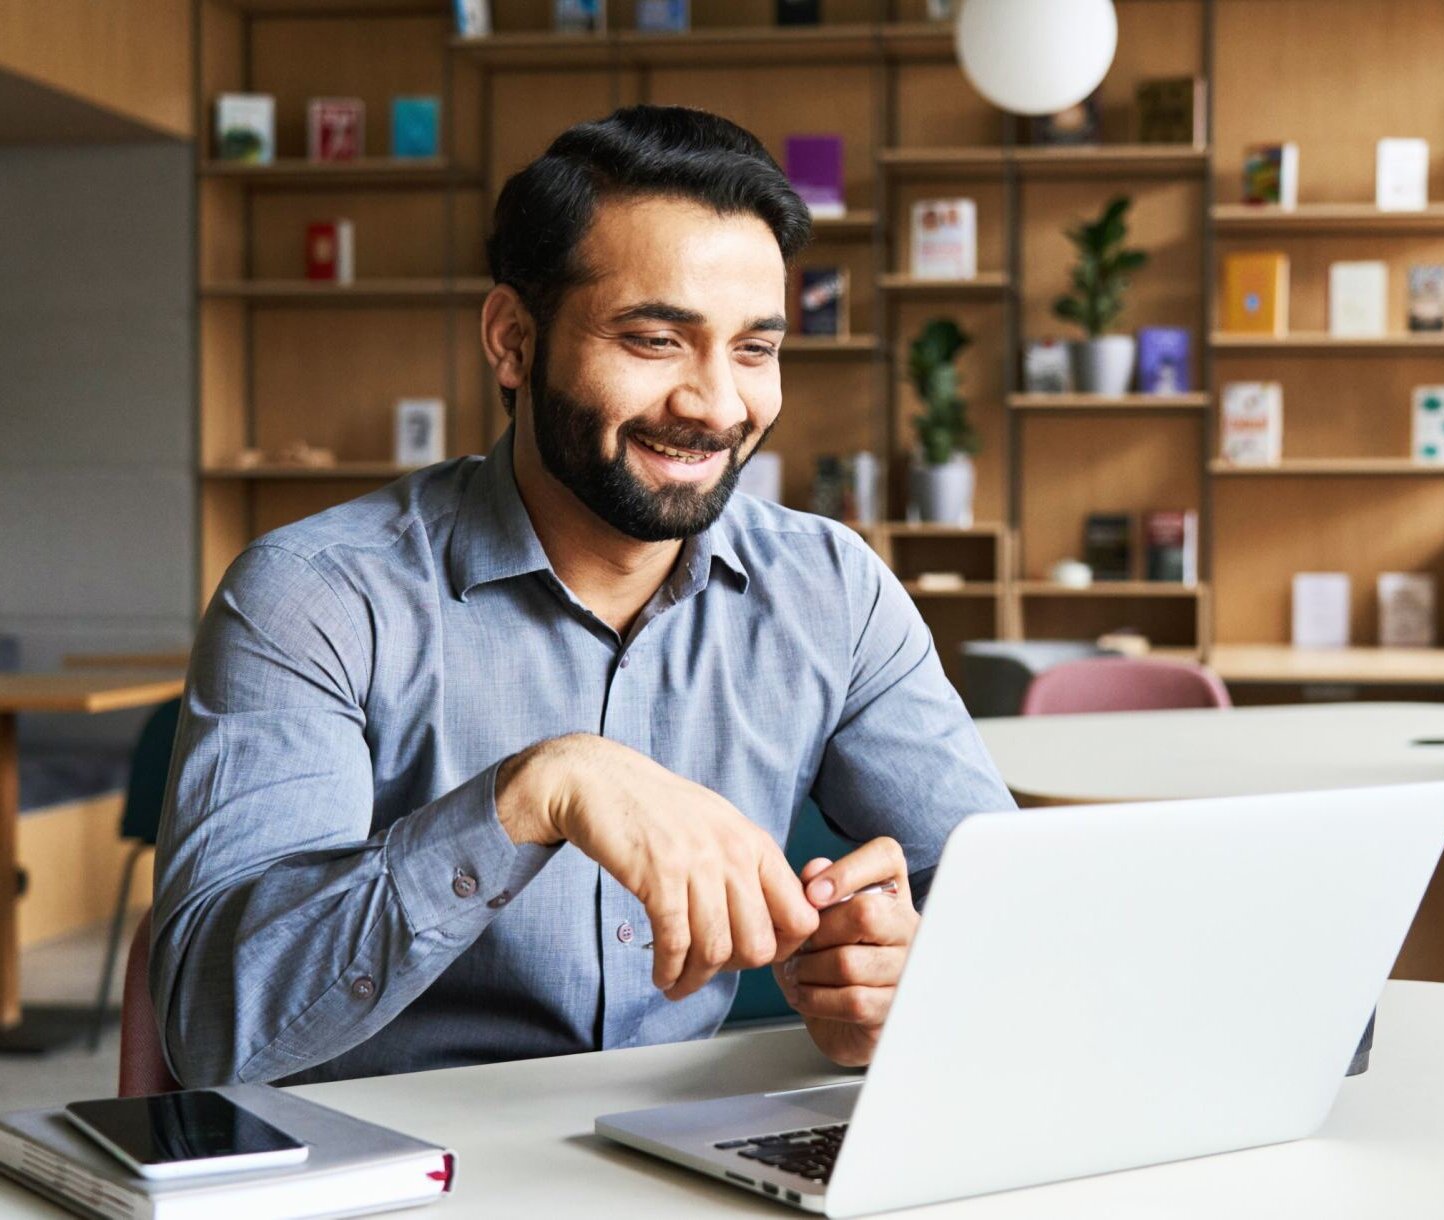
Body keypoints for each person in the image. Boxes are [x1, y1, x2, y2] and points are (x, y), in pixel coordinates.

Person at [151, 105, 1015, 1087]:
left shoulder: (830, 591)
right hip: (395, 1164)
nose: (717, 405)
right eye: (654, 339)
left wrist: (911, 975)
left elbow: (1008, 910)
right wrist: (532, 793)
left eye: (754, 349)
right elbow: (214, 1025)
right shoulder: (315, 594)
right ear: (514, 340)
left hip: (685, 1144)